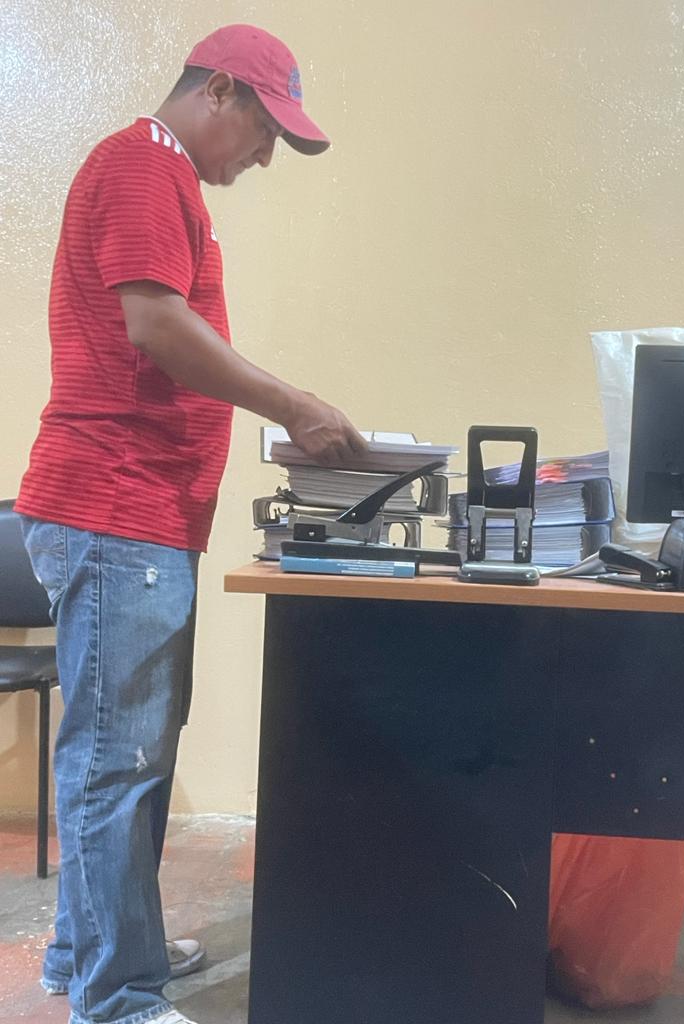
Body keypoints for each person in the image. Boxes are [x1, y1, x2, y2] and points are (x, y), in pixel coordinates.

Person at [15, 23, 366, 1024]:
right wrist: (292, 405)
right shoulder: (142, 165)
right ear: (219, 91)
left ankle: (95, 946)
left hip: (140, 513)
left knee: (131, 752)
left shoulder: (165, 177)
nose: (264, 157)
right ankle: (115, 997)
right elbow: (157, 326)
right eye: (265, 132)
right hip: (113, 505)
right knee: (117, 762)